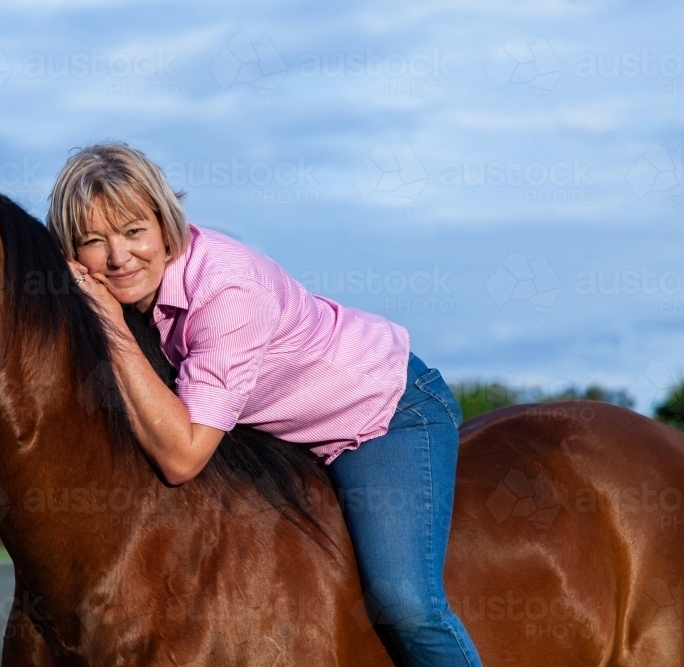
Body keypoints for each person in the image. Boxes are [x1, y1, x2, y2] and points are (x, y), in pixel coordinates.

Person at [46, 142, 483, 667]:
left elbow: (182, 457)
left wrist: (110, 326)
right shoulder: (124, 293)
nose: (118, 258)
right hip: (286, 428)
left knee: (405, 602)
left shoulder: (227, 291)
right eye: (94, 241)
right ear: (73, 255)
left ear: (165, 226)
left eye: (134, 231)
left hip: (385, 412)